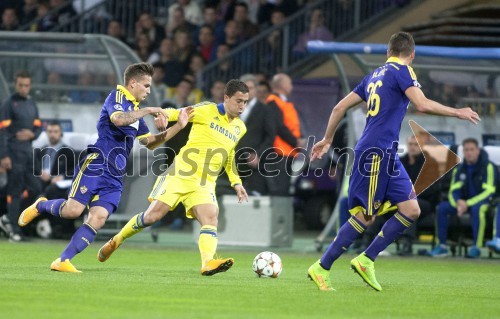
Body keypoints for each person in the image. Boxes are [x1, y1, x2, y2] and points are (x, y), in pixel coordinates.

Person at [307, 32, 480, 292]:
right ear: (411, 54)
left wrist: (328, 139)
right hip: (375, 152)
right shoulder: (404, 71)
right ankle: (322, 266)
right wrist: (458, 111)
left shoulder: (373, 75)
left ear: (388, 52)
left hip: (386, 152)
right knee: (366, 216)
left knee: (411, 209)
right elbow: (420, 104)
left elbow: (338, 108)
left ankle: (366, 259)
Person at [17, 62, 189, 272]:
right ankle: (40, 205)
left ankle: (62, 260)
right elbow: (118, 120)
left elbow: (150, 143)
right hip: (97, 164)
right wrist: (149, 110)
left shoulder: (136, 112)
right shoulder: (116, 97)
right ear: (132, 83)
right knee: (73, 211)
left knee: (97, 219)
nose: (148, 91)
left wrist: (179, 126)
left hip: (116, 176)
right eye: (146, 85)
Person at [97, 79, 250, 276]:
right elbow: (178, 113)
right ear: (226, 97)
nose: (242, 106)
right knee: (152, 217)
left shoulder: (240, 127)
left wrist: (236, 182)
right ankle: (116, 240)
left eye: (245, 102)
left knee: (211, 218)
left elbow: (229, 155)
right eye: (239, 101)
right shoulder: (206, 110)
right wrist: (161, 115)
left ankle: (208, 263)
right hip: (181, 173)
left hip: (204, 182)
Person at [429, 138, 496, 258]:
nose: (469, 152)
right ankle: (442, 247)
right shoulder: (459, 168)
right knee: (442, 208)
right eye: (466, 150)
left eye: (472, 149)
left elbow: (489, 191)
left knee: (478, 209)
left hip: (483, 202)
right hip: (462, 204)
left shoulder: (488, 167)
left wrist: (468, 203)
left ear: (478, 151)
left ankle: (476, 247)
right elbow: (453, 190)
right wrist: (458, 203)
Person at [0, 70, 43, 242]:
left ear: (30, 86)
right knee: (15, 191)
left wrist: (32, 135)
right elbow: (2, 130)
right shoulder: (9, 104)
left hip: (27, 153)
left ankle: (8, 219)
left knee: (36, 189)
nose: (23, 88)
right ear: (15, 85)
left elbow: (39, 126)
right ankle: (14, 231)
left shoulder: (32, 104)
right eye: (20, 85)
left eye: (26, 85)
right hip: (13, 152)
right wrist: (3, 155)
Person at [397, 135, 440, 255]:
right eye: (410, 144)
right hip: (400, 200)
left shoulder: (430, 163)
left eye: (416, 145)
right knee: (380, 203)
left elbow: (432, 188)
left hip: (425, 202)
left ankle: (407, 243)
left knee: (411, 206)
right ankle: (367, 240)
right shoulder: (400, 162)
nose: (412, 147)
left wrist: (410, 196)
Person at [236, 74, 275, 195]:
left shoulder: (265, 110)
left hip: (255, 165)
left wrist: (258, 154)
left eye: (250, 88)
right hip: (233, 162)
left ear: (256, 90)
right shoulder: (232, 110)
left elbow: (270, 137)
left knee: (253, 200)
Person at [264, 73, 301, 196]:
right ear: (283, 85)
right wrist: (295, 142)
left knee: (283, 189)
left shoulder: (281, 102)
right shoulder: (273, 102)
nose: (291, 87)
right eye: (289, 83)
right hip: (279, 153)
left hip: (286, 152)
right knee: (279, 190)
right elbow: (279, 127)